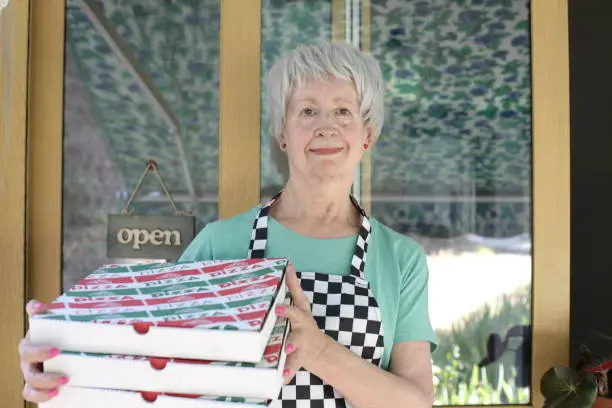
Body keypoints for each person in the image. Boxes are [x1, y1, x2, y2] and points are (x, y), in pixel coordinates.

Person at [18, 40, 437, 408]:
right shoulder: (222, 242)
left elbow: (415, 403)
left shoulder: (400, 260)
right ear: (283, 134)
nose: (325, 125)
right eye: (307, 110)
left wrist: (319, 352)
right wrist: (59, 358)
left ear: (367, 135)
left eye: (343, 111)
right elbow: (153, 359)